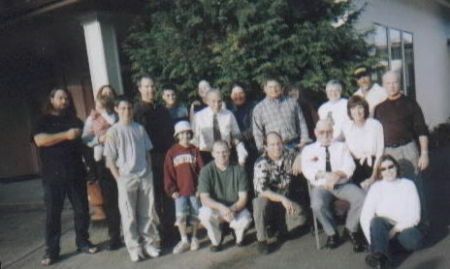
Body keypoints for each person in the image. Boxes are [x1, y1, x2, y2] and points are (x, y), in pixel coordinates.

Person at [33, 89, 98, 266]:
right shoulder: (43, 120)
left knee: (82, 211)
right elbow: (40, 140)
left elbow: (86, 144)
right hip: (52, 176)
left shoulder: (75, 120)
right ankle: (52, 251)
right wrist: (66, 135)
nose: (64, 101)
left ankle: (83, 242)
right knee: (53, 214)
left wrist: (92, 169)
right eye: (60, 98)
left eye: (67, 98)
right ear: (51, 99)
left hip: (75, 173)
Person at [104, 96, 160, 262]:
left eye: (129, 108)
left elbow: (147, 152)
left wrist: (148, 171)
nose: (126, 111)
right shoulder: (113, 132)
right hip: (126, 178)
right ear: (116, 109)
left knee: (148, 212)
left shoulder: (140, 129)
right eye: (123, 108)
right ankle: (134, 248)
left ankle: (149, 244)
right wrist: (119, 179)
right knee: (129, 215)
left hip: (144, 176)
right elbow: (110, 160)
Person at [301, 119, 365, 252]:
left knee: (361, 197)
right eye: (321, 132)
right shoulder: (308, 149)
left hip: (341, 184)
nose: (325, 135)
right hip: (321, 186)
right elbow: (307, 170)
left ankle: (351, 229)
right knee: (316, 205)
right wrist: (326, 176)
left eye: (329, 132)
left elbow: (349, 166)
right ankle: (332, 233)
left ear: (333, 131)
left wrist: (337, 175)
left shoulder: (341, 146)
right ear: (315, 133)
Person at [360, 155, 423, 269]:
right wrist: (371, 241)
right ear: (380, 172)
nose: (388, 171)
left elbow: (415, 216)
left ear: (396, 167)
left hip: (403, 228)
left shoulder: (408, 184)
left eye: (390, 167)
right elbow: (365, 216)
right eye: (383, 169)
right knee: (376, 221)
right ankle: (382, 261)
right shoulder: (376, 187)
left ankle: (380, 250)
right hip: (383, 226)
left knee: (414, 239)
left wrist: (394, 230)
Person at [134, 76, 175, 245]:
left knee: (169, 194)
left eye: (152, 86)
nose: (150, 90)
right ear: (140, 89)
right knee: (153, 200)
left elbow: (170, 133)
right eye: (146, 87)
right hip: (148, 159)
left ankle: (171, 232)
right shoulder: (136, 111)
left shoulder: (162, 110)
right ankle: (157, 235)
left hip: (165, 157)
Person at [82, 86, 122, 251]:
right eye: (104, 94)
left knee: (126, 198)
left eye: (110, 94)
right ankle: (114, 236)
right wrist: (99, 139)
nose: (107, 97)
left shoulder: (120, 114)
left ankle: (130, 233)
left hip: (122, 161)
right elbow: (85, 138)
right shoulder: (94, 117)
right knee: (110, 200)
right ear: (99, 97)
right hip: (104, 161)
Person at [253, 132, 307, 254]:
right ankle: (261, 239)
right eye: (272, 145)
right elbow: (261, 190)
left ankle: (281, 229)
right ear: (266, 147)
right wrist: (282, 199)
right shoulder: (261, 163)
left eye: (278, 144)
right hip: (270, 197)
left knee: (300, 221)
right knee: (258, 203)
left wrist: (299, 158)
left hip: (287, 192)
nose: (276, 147)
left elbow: (305, 151)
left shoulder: (288, 152)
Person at [198, 141, 252, 251]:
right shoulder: (205, 171)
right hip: (217, 209)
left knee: (246, 218)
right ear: (212, 154)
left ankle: (238, 236)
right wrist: (221, 208)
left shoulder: (239, 170)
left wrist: (232, 209)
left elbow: (243, 198)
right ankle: (216, 240)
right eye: (217, 152)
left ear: (229, 152)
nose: (221, 155)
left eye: (224, 152)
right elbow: (204, 198)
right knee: (204, 214)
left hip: (235, 208)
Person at [374, 71, 429, 179]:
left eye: (395, 82)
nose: (392, 86)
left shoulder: (411, 104)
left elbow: (421, 130)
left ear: (400, 83)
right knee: (392, 188)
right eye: (388, 83)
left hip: (408, 150)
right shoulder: (379, 109)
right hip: (388, 152)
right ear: (383, 85)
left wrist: (424, 153)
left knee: (414, 184)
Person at [163, 121, 204, 254]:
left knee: (194, 215)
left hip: (193, 190)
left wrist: (200, 187)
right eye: (182, 134)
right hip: (179, 192)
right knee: (180, 216)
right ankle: (184, 239)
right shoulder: (172, 152)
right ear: (177, 135)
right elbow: (168, 172)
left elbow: (202, 170)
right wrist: (172, 190)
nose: (185, 136)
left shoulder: (194, 150)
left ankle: (194, 238)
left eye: (187, 133)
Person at [252, 79, 311, 152]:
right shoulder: (259, 108)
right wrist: (262, 148)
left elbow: (301, 123)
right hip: (274, 148)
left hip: (295, 145)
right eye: (270, 87)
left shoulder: (292, 102)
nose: (274, 89)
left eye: (276, 86)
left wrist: (304, 141)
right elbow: (257, 131)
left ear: (281, 88)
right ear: (265, 89)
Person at [192, 89, 247, 165]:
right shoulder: (199, 116)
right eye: (213, 101)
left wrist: (241, 159)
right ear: (207, 101)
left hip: (225, 154)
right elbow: (195, 140)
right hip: (205, 155)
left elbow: (238, 137)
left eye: (219, 101)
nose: (217, 104)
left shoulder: (229, 115)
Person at [341, 96, 384, 189]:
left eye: (360, 107)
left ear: (365, 109)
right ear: (349, 111)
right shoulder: (346, 127)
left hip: (373, 166)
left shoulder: (375, 125)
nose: (357, 111)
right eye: (353, 108)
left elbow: (380, 153)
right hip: (355, 168)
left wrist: (373, 177)